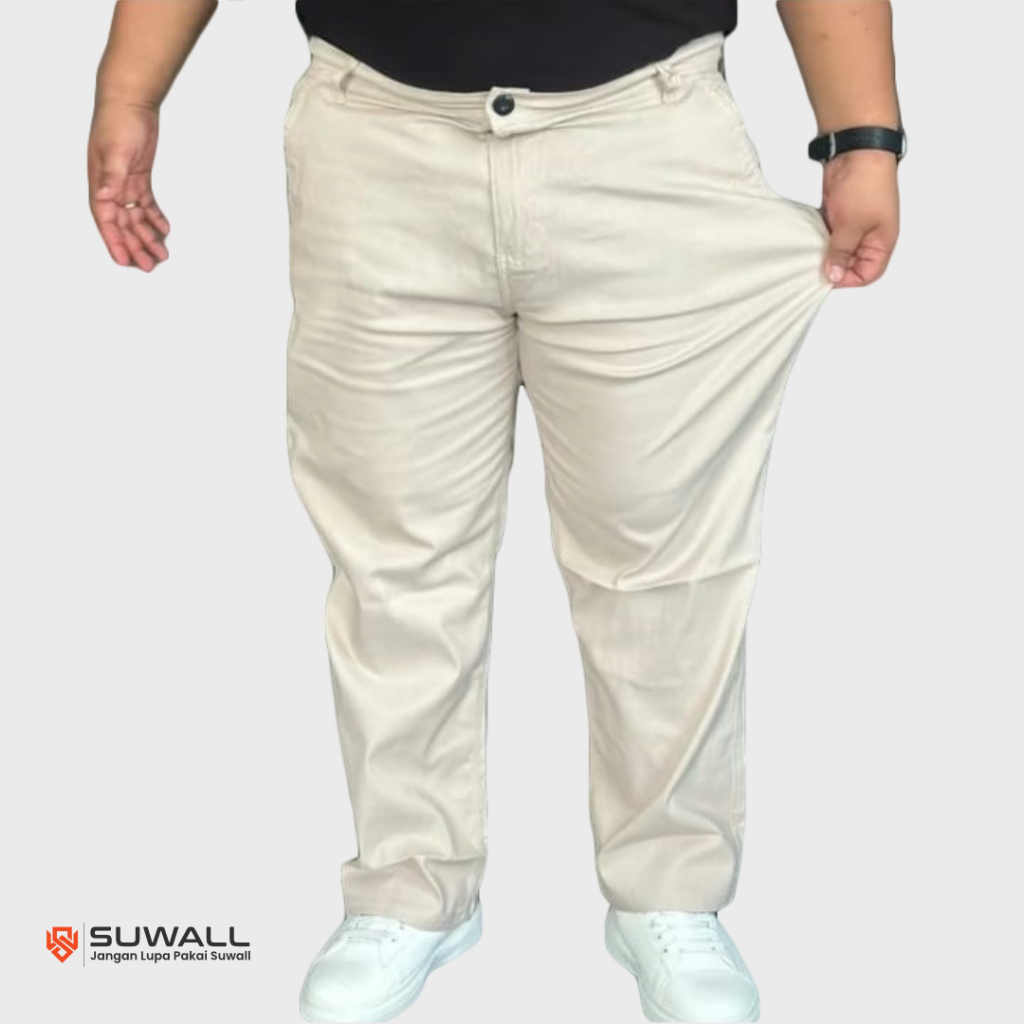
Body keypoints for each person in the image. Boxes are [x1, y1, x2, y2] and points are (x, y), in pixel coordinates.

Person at [88, 2, 902, 1021]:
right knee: (396, 560)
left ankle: (668, 891)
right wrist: (129, 89)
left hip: (645, 137)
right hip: (377, 140)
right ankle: (409, 889)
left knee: (663, 560)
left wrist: (863, 134)